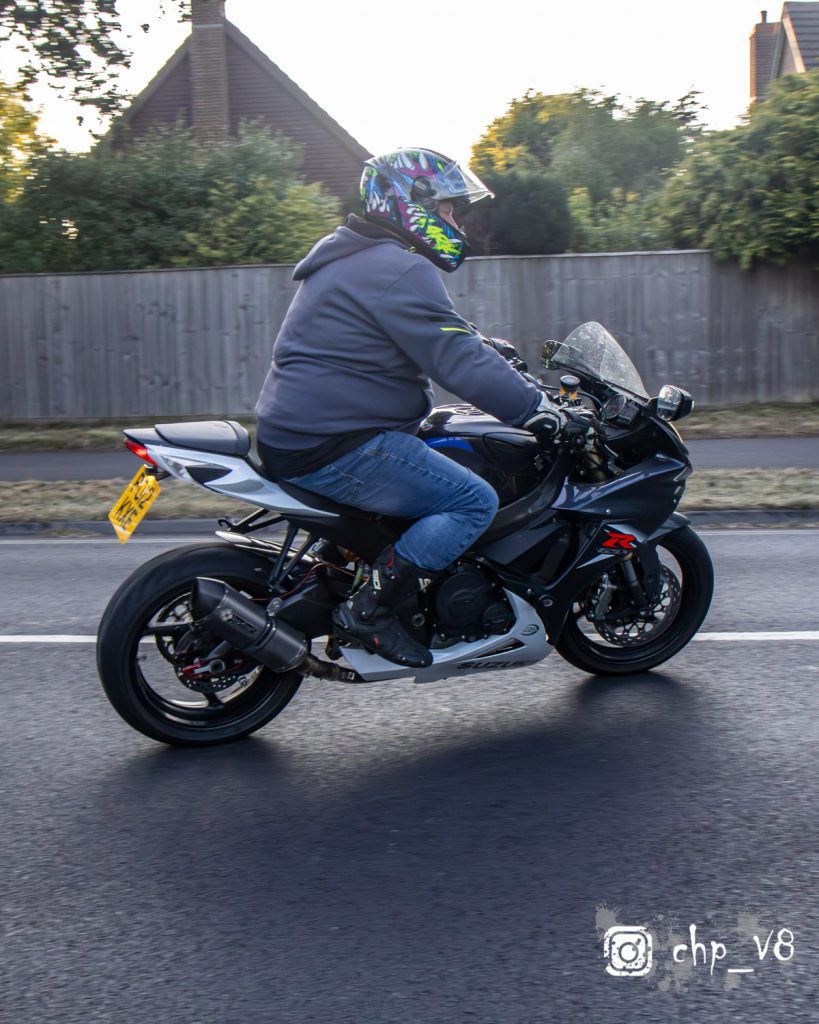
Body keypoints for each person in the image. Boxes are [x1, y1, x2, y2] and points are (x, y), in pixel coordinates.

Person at [255, 148, 565, 669]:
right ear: (410, 203)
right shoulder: (397, 268)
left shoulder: (354, 258)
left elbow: (440, 333)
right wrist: (536, 408)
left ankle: (355, 580)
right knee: (471, 501)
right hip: (337, 444)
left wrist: (488, 349)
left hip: (303, 431)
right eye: (446, 209)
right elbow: (456, 359)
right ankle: (371, 612)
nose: (454, 221)